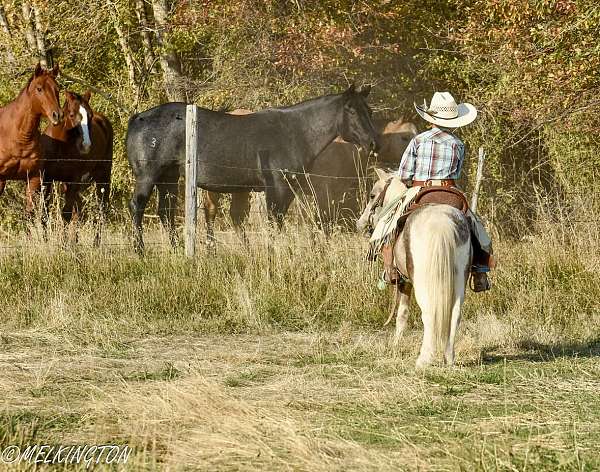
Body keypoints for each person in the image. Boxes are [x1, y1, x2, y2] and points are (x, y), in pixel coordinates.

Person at [382, 91, 494, 292]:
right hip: (450, 190)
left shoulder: (417, 140)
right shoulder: (458, 144)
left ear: (431, 118)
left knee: (389, 223)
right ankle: (480, 270)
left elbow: (405, 173)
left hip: (419, 189)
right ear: (453, 120)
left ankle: (390, 268)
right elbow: (457, 172)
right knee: (476, 227)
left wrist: (412, 182)